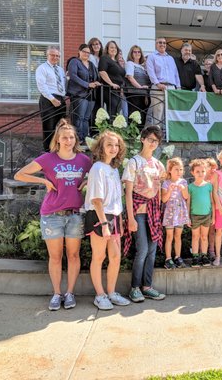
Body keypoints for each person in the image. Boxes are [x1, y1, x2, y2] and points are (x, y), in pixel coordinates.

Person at [14, 119, 91, 311]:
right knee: (55, 257)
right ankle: (57, 293)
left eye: (71, 137)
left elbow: (96, 176)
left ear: (76, 139)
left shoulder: (84, 160)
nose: (68, 141)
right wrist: (44, 183)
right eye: (64, 137)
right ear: (57, 139)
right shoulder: (48, 159)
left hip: (74, 215)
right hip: (52, 215)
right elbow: (19, 175)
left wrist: (88, 183)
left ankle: (70, 293)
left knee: (73, 255)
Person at [84, 130, 131, 310]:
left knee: (115, 256)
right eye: (109, 144)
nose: (113, 148)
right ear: (101, 147)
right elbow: (96, 199)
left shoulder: (113, 168)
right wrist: (104, 224)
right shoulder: (97, 168)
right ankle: (100, 295)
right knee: (99, 256)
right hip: (100, 216)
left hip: (115, 216)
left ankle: (111, 292)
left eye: (116, 145)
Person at [123, 125, 167, 302]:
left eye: (156, 141)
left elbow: (159, 190)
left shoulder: (158, 164)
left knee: (152, 251)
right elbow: (128, 192)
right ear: (142, 139)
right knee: (141, 250)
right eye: (150, 139)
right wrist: (131, 218)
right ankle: (135, 287)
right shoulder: (134, 162)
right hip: (138, 212)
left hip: (153, 212)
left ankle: (147, 286)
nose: (153, 143)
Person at [67, 44, 101, 142]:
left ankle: (86, 139)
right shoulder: (74, 62)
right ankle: (77, 140)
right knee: (79, 118)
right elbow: (73, 76)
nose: (86, 54)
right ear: (79, 51)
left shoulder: (91, 64)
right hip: (79, 94)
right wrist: (87, 84)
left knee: (86, 118)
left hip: (91, 96)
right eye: (84, 52)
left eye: (88, 53)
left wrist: (96, 82)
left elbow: (95, 77)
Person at [36, 46, 67, 151]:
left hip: (60, 99)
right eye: (53, 55)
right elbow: (42, 85)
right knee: (49, 126)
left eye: (57, 56)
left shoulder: (60, 70)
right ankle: (48, 151)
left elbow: (63, 84)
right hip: (48, 99)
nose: (55, 57)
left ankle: (58, 149)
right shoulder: (42, 68)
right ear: (47, 55)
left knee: (61, 126)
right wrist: (52, 99)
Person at [145, 37, 181, 128]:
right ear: (156, 44)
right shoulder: (152, 56)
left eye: (164, 43)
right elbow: (151, 72)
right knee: (158, 112)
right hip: (158, 88)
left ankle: (168, 135)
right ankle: (158, 135)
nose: (162, 44)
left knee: (170, 112)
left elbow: (175, 73)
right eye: (160, 42)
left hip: (171, 88)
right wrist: (157, 84)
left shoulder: (170, 58)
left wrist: (178, 87)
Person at [161, 157, 189, 270]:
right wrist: (170, 190)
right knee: (169, 236)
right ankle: (168, 258)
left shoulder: (184, 182)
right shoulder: (166, 183)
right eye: (176, 169)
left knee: (178, 236)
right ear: (170, 170)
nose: (179, 172)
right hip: (169, 213)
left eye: (181, 169)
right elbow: (163, 199)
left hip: (180, 212)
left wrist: (183, 189)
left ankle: (177, 257)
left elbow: (186, 197)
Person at [188, 158, 215, 267]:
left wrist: (213, 217)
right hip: (195, 216)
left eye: (203, 171)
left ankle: (204, 256)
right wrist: (188, 217)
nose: (200, 174)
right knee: (195, 236)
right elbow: (188, 203)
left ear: (206, 172)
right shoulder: (190, 187)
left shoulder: (209, 186)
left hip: (206, 215)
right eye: (197, 171)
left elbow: (212, 202)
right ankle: (195, 256)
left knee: (204, 236)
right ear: (192, 173)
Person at [98, 40, 126, 118]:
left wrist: (121, 89)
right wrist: (111, 83)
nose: (114, 49)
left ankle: (114, 129)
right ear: (107, 49)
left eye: (115, 48)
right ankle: (109, 129)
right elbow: (102, 72)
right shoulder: (105, 58)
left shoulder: (117, 62)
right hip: (109, 89)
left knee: (117, 111)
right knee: (112, 111)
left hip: (117, 91)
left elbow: (120, 77)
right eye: (111, 47)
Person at [125, 45, 151, 125]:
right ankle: (133, 136)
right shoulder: (130, 64)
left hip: (144, 95)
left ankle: (140, 136)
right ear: (131, 54)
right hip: (134, 94)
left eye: (139, 52)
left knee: (142, 117)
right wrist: (140, 87)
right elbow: (130, 77)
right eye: (135, 52)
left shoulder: (143, 67)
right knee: (134, 117)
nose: (137, 53)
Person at [204, 157, 218, 260]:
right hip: (203, 209)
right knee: (202, 232)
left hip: (215, 208)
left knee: (212, 231)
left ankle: (211, 250)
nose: (213, 169)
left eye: (214, 167)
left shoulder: (216, 179)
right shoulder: (202, 180)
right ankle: (201, 251)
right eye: (211, 167)